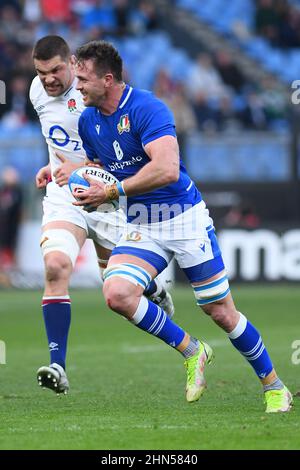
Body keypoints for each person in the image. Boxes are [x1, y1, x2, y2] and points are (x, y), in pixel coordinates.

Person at [73, 40, 292, 413]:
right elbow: (101, 167)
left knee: (221, 312)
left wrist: (112, 189)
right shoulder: (87, 120)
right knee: (117, 293)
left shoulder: (148, 108)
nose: (76, 86)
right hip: (141, 222)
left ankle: (274, 386)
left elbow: (166, 169)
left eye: (82, 78)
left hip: (182, 217)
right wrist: (84, 180)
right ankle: (193, 350)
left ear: (108, 79)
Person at [30, 35, 174, 395]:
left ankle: (154, 289)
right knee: (55, 267)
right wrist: (50, 168)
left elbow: (118, 150)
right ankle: (58, 366)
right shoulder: (36, 92)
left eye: (56, 70)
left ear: (73, 63)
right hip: (64, 194)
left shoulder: (93, 93)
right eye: (41, 72)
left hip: (107, 196)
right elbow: (58, 141)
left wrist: (82, 169)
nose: (48, 79)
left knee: (113, 283)